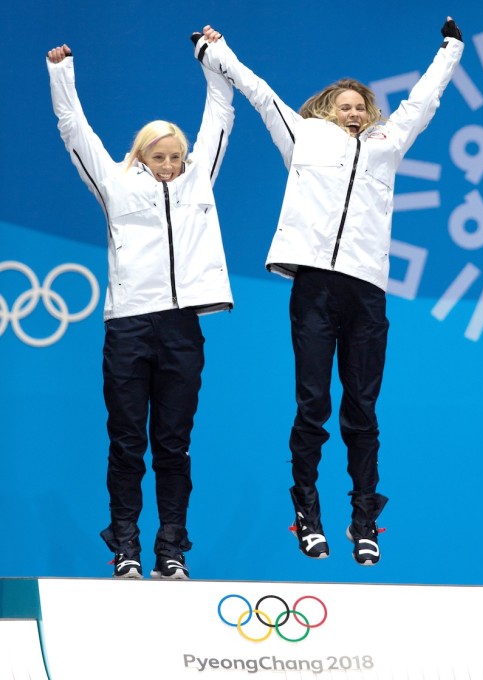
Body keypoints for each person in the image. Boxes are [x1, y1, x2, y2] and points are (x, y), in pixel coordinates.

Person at [196, 19, 464, 565]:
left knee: (362, 409)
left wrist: (451, 50)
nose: (355, 111)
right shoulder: (302, 136)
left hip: (367, 289)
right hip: (315, 286)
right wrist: (218, 52)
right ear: (324, 110)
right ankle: (308, 514)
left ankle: (364, 520)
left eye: (361, 105)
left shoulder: (388, 145)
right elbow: (259, 92)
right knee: (313, 404)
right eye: (344, 105)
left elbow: (423, 102)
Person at [46, 26, 234, 580]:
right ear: (141, 155)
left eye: (178, 155)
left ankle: (170, 549)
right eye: (161, 155)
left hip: (182, 329)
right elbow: (73, 130)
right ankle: (126, 547)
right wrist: (62, 74)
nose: (172, 163)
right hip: (128, 327)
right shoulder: (115, 184)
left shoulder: (200, 180)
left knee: (173, 447)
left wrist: (212, 57)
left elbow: (220, 112)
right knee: (127, 443)